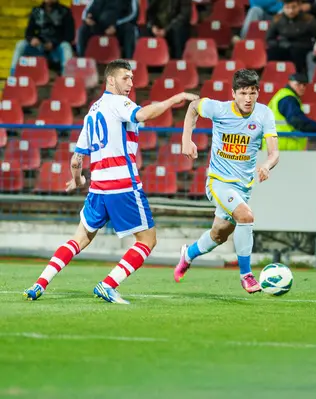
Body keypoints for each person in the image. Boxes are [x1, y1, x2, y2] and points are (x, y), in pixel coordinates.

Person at [23, 59, 198, 304]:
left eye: (132, 78)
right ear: (111, 80)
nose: (131, 82)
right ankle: (108, 284)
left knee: (79, 239)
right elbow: (144, 114)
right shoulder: (119, 103)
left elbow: (76, 160)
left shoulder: (92, 110)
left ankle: (38, 284)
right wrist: (175, 98)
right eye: (125, 77)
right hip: (123, 184)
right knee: (148, 240)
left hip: (98, 186)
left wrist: (77, 180)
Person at [174, 69, 280, 294]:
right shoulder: (219, 109)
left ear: (258, 93)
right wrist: (186, 140)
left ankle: (188, 254)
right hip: (218, 182)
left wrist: (266, 165)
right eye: (243, 93)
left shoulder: (264, 115)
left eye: (252, 93)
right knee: (246, 216)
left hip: (243, 187)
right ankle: (247, 276)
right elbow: (193, 107)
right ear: (233, 93)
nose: (248, 98)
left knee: (219, 235)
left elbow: (274, 153)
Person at [267, 73, 316, 151]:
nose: (302, 87)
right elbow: (296, 120)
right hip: (283, 146)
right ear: (290, 83)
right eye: (298, 84)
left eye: (304, 85)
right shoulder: (288, 98)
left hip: (277, 146)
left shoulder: (282, 95)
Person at [10, 0, 75, 76]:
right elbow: (28, 33)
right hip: (39, 48)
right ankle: (13, 77)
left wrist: (53, 44)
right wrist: (32, 39)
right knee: (20, 44)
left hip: (57, 49)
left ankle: (66, 79)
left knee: (66, 46)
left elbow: (70, 36)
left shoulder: (65, 12)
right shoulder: (36, 11)